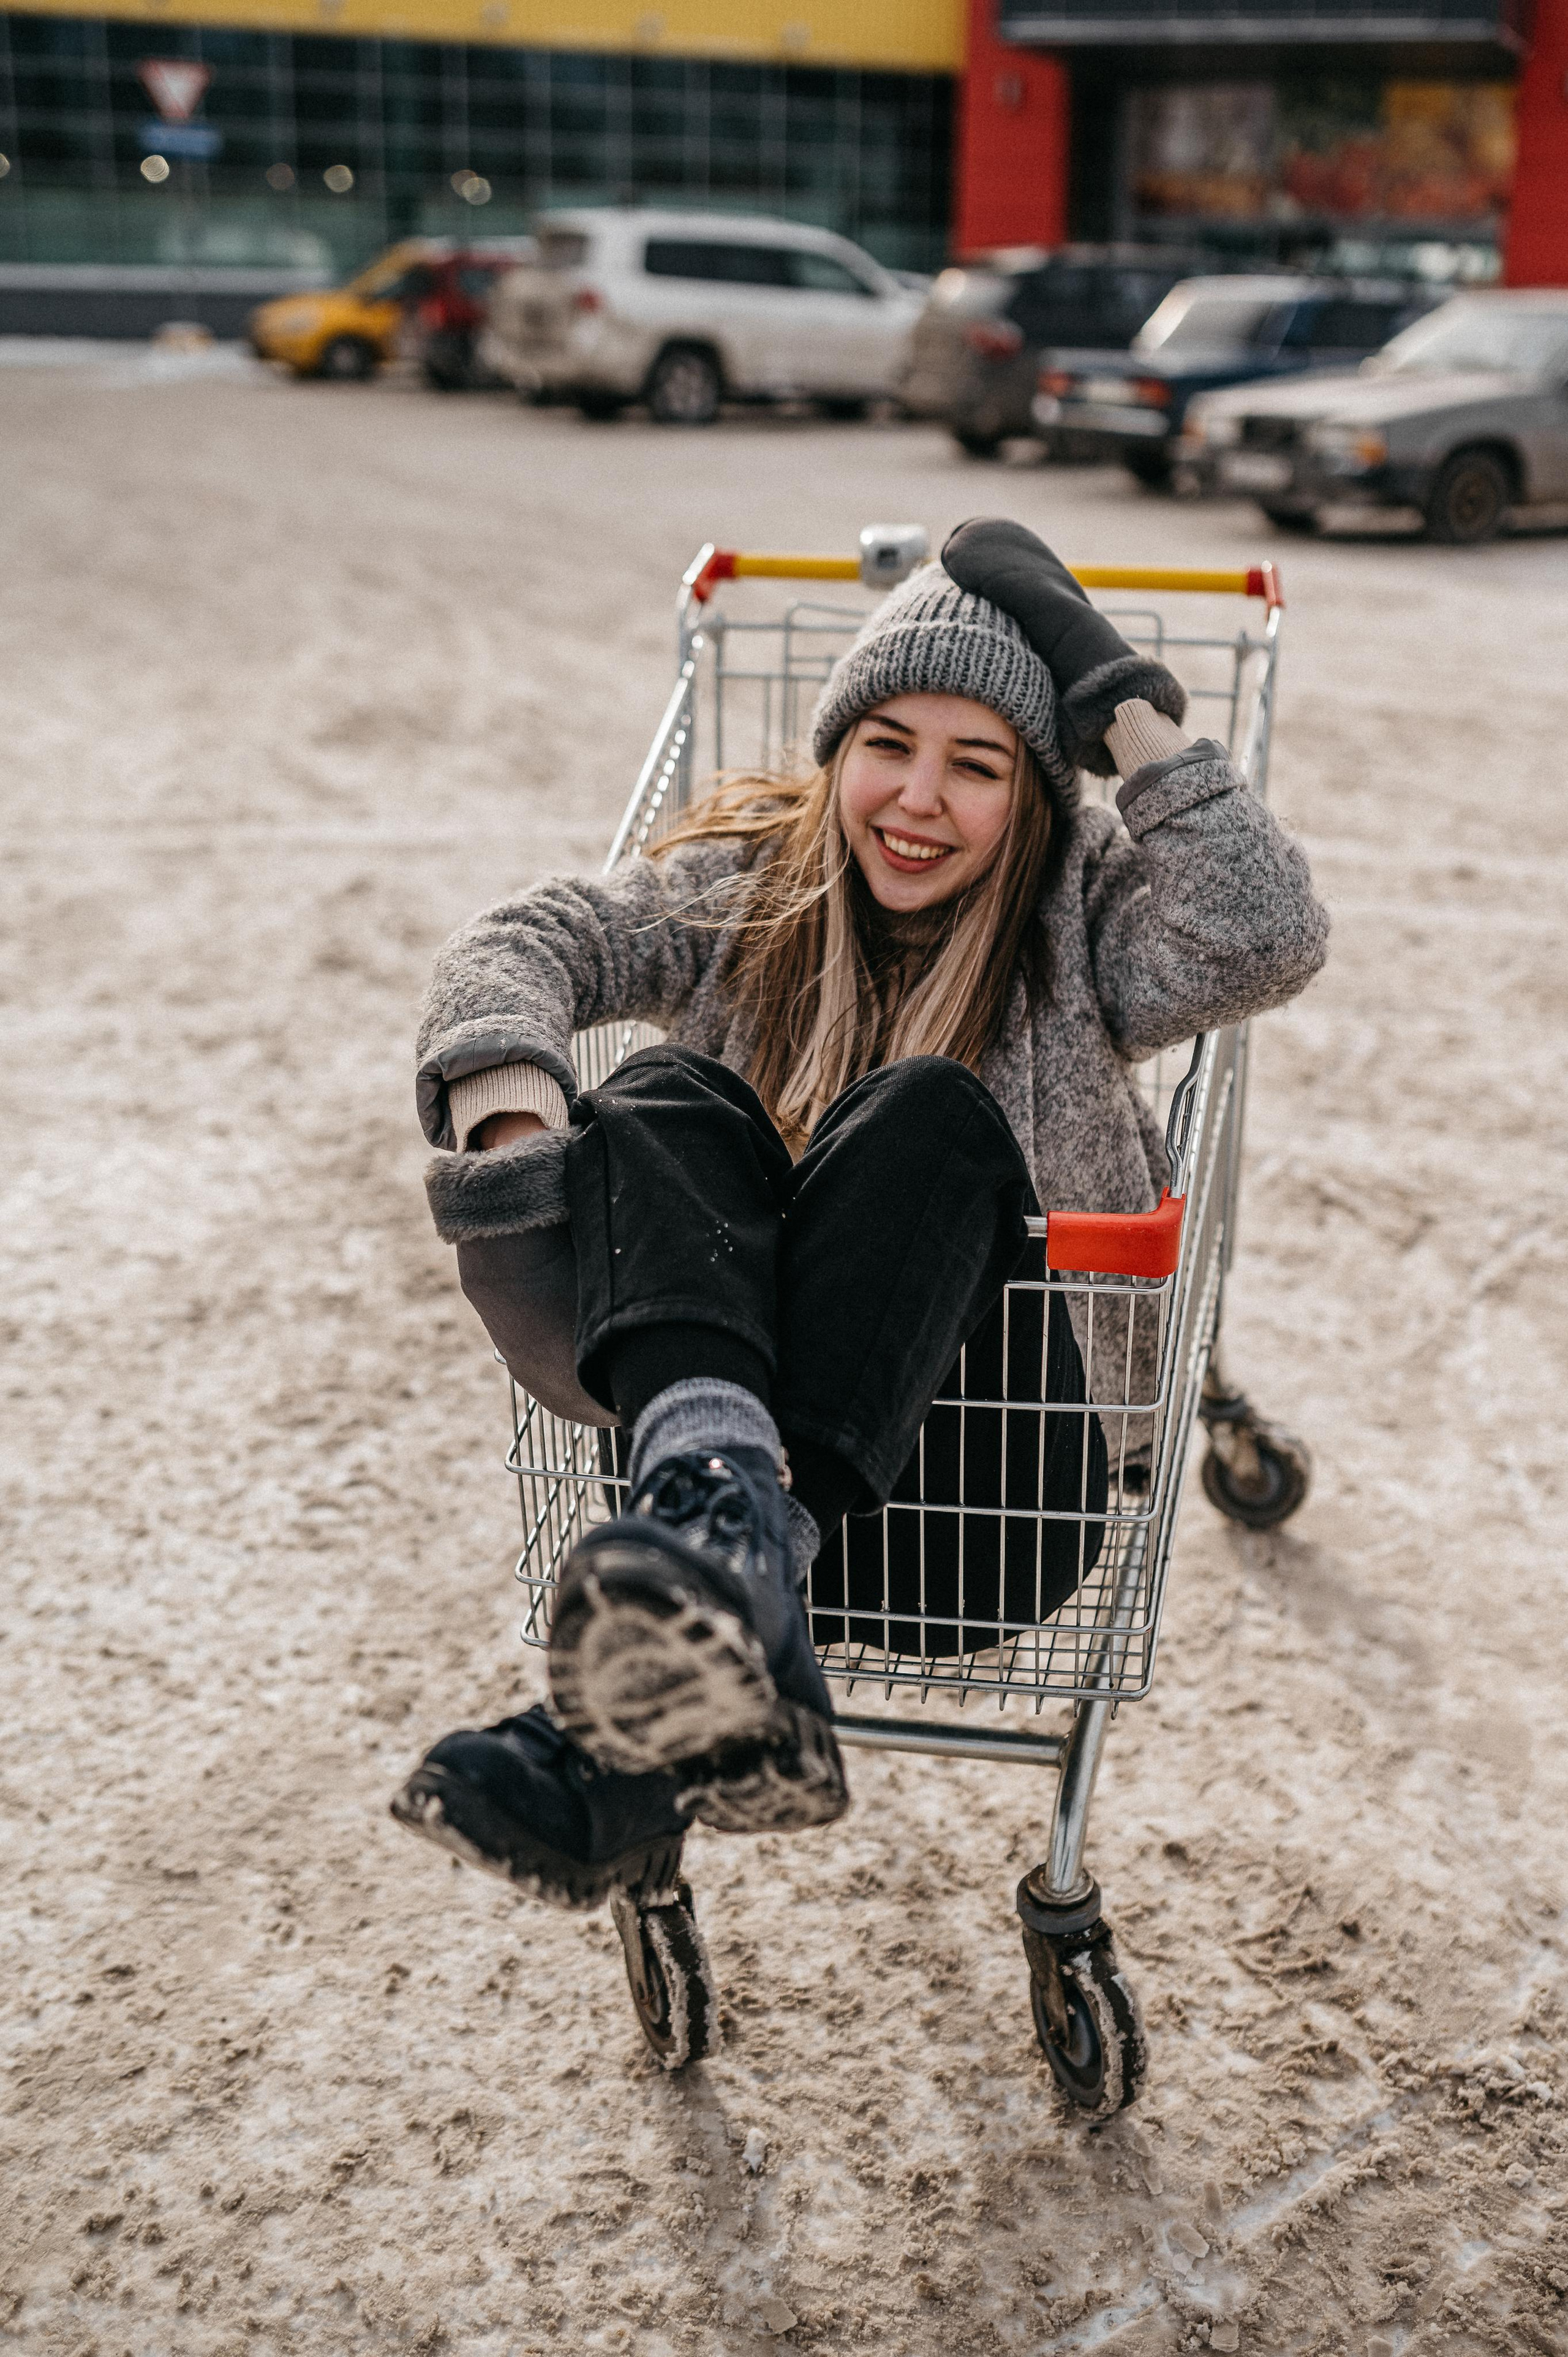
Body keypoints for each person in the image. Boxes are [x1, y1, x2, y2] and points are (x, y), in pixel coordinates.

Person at [390, 520, 1327, 1912]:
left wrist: (1109, 685)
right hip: (733, 1488)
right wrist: (516, 1128)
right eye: (887, 742)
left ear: (1035, 794)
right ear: (837, 752)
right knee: (658, 1092)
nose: (916, 799)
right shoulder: (742, 896)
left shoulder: (1082, 932)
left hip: (986, 1515)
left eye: (978, 764)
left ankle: (703, 1596)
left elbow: (1264, 928)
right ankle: (676, 1659)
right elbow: (520, 942)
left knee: (926, 1115)